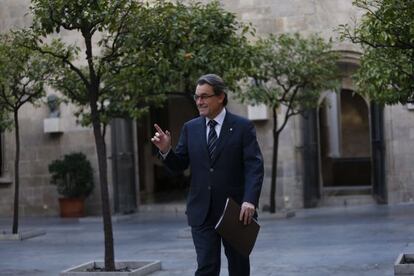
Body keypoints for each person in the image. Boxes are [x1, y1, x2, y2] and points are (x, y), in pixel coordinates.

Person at [151, 74, 264, 276]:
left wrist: (249, 200)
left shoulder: (242, 127)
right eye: (196, 97)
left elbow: (254, 167)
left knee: (239, 268)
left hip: (235, 212)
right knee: (206, 268)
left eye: (204, 96)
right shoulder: (190, 128)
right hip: (201, 212)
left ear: (220, 97)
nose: (199, 102)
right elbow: (179, 165)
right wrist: (167, 150)